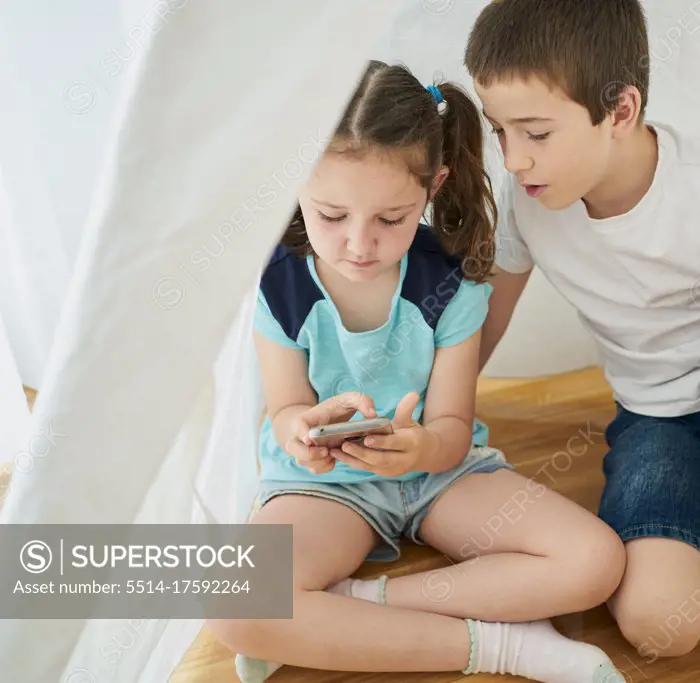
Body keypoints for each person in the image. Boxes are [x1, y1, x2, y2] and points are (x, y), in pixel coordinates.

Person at [206, 60, 628, 683]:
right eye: (331, 215)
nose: (358, 243)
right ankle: (508, 648)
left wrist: (422, 447)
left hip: (441, 474)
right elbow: (286, 409)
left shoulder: (449, 280)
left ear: (434, 187)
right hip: (327, 487)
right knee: (233, 602)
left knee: (596, 562)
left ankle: (351, 610)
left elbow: (454, 427)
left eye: (390, 219)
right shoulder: (278, 281)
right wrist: (303, 433)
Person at [464, 0, 700, 659]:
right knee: (657, 624)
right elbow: (478, 334)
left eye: (535, 133)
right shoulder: (526, 208)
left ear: (620, 110)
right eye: (498, 131)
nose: (513, 161)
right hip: (661, 422)